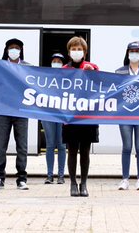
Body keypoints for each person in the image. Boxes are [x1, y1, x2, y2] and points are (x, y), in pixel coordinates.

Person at [0, 38, 31, 190]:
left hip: (21, 111)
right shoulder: (0, 65)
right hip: (4, 110)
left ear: (21, 50)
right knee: (1, 145)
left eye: (17, 48)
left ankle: (21, 178)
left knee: (22, 146)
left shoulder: (28, 67)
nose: (14, 50)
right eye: (11, 47)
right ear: (7, 50)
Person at [62, 36, 99, 197]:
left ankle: (84, 183)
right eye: (74, 49)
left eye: (79, 49)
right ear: (69, 52)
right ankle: (72, 183)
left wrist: (93, 75)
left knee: (85, 151)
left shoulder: (93, 67)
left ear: (84, 52)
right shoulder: (64, 69)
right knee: (72, 151)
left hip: (88, 116)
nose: (76, 52)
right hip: (70, 117)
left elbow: (101, 88)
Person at [115, 42, 139, 191]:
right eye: (132, 51)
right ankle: (125, 179)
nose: (134, 54)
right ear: (127, 53)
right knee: (127, 146)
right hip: (124, 115)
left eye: (137, 51)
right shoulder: (119, 72)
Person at [42, 53, 67, 184]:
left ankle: (61, 176)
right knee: (50, 144)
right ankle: (49, 175)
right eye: (54, 61)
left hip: (62, 114)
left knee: (62, 145)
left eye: (59, 61)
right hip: (48, 114)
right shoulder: (45, 77)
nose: (56, 63)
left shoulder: (67, 77)